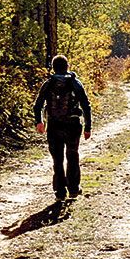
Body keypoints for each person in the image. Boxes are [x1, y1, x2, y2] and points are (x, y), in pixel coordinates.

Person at [33, 55, 92, 202]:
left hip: (53, 125)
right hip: (73, 125)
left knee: (57, 159)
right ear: (67, 66)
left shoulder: (48, 84)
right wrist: (88, 127)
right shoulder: (75, 83)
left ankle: (60, 192)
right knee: (72, 155)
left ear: (53, 67)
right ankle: (73, 189)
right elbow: (86, 105)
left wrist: (39, 122)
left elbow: (38, 104)